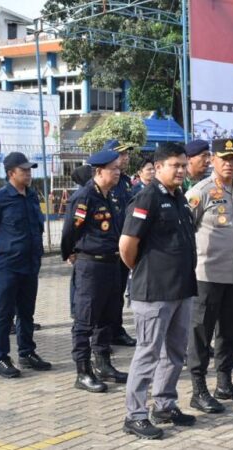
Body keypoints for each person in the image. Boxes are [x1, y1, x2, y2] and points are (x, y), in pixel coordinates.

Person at [120, 143, 198, 440]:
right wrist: (143, 270)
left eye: (183, 165)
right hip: (154, 292)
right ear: (159, 167)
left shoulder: (178, 197)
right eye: (175, 165)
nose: (181, 170)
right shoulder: (147, 197)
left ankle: (164, 405)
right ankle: (135, 415)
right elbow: (127, 246)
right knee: (148, 353)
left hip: (181, 289)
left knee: (176, 352)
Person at [185, 138, 233, 414]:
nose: (229, 163)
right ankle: (198, 389)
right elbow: (183, 231)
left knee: (229, 333)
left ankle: (224, 383)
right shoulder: (200, 192)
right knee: (201, 334)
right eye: (223, 158)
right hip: (207, 275)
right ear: (213, 160)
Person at [61, 150, 129, 393]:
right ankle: (82, 372)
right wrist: (69, 252)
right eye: (113, 169)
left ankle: (103, 364)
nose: (118, 172)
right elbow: (70, 230)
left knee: (107, 317)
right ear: (99, 172)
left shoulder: (109, 195)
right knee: (85, 320)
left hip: (112, 263)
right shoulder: (85, 197)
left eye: (118, 168)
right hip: (91, 265)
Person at [0, 152, 52, 378]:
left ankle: (27, 353)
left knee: (26, 313)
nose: (29, 174)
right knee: (3, 313)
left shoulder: (32, 196)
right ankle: (0, 358)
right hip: (6, 266)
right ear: (11, 173)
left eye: (30, 170)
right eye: (24, 170)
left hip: (30, 264)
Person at [101, 139, 137, 347]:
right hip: (107, 246)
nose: (126, 158)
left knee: (118, 292)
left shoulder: (124, 180)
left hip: (123, 243)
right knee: (106, 295)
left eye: (126, 154)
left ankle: (116, 329)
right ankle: (104, 333)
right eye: (121, 154)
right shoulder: (101, 179)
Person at [68, 165, 94, 317]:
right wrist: (71, 250)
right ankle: (75, 310)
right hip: (80, 248)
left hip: (83, 247)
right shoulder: (81, 197)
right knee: (77, 282)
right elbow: (73, 227)